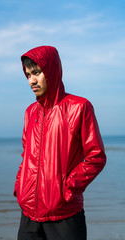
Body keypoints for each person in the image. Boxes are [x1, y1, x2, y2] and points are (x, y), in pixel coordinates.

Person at [14, 46, 106, 240]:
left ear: (51, 71)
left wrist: (69, 187)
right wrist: (20, 185)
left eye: (37, 73)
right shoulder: (30, 112)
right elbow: (27, 155)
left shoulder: (79, 107)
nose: (32, 80)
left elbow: (96, 157)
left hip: (64, 215)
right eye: (28, 75)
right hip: (29, 214)